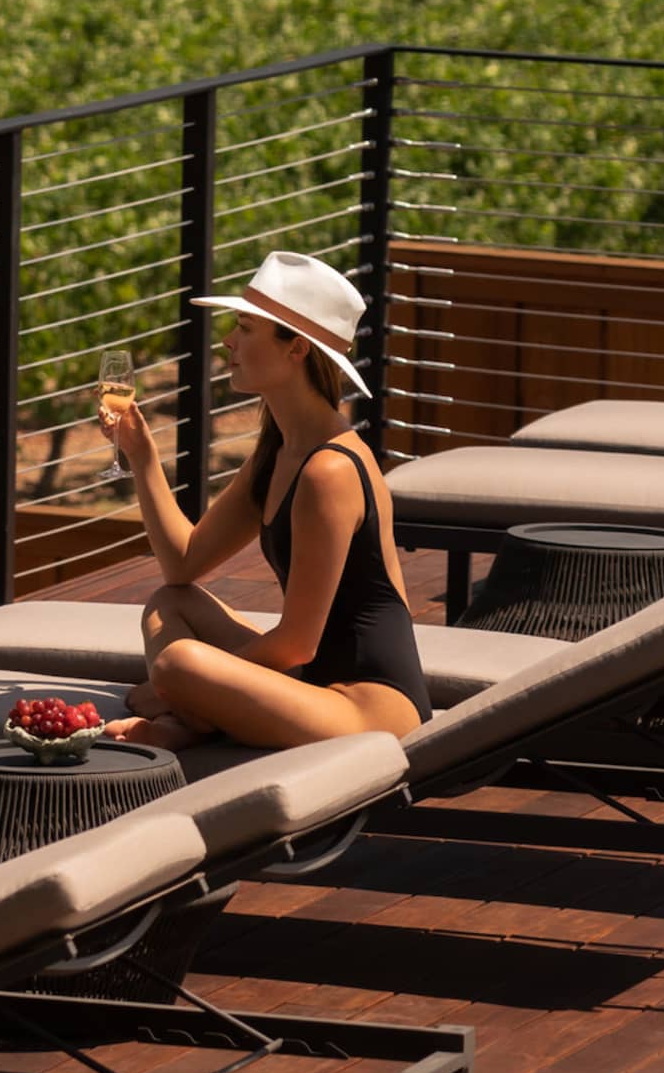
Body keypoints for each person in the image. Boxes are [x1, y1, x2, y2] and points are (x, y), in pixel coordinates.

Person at [100, 249, 432, 752]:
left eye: (246, 329)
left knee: (177, 665)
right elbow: (183, 564)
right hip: (309, 683)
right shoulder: (279, 450)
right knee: (171, 604)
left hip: (366, 709)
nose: (227, 342)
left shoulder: (329, 470)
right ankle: (196, 717)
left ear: (296, 348)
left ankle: (188, 718)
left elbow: (298, 643)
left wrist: (167, 687)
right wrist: (143, 457)